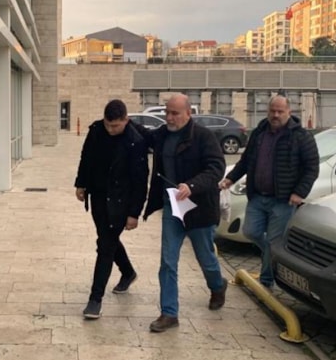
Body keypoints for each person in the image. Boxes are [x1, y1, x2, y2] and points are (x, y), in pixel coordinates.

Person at [142, 94, 228, 333]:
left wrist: (192, 185)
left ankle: (217, 285)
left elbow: (216, 168)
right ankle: (169, 313)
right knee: (168, 260)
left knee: (205, 257)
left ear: (188, 113)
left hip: (199, 208)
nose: (169, 118)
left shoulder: (204, 137)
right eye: (167, 112)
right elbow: (141, 135)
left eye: (175, 113)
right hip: (172, 206)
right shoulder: (162, 134)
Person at [219, 95, 319, 288]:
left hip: (283, 200)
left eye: (280, 111)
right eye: (272, 111)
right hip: (257, 197)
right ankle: (274, 252)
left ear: (289, 111)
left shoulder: (301, 137)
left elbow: (311, 168)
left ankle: (266, 282)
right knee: (250, 232)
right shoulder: (259, 133)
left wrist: (300, 192)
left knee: (273, 241)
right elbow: (246, 161)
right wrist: (230, 179)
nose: (276, 115)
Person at [74, 99, 149, 319]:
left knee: (105, 245)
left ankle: (95, 300)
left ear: (126, 120)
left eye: (115, 126)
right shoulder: (96, 131)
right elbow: (86, 157)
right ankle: (128, 272)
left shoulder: (135, 141)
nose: (111, 129)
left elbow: (140, 180)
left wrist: (134, 213)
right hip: (98, 196)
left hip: (120, 201)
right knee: (106, 238)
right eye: (108, 124)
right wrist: (81, 183)